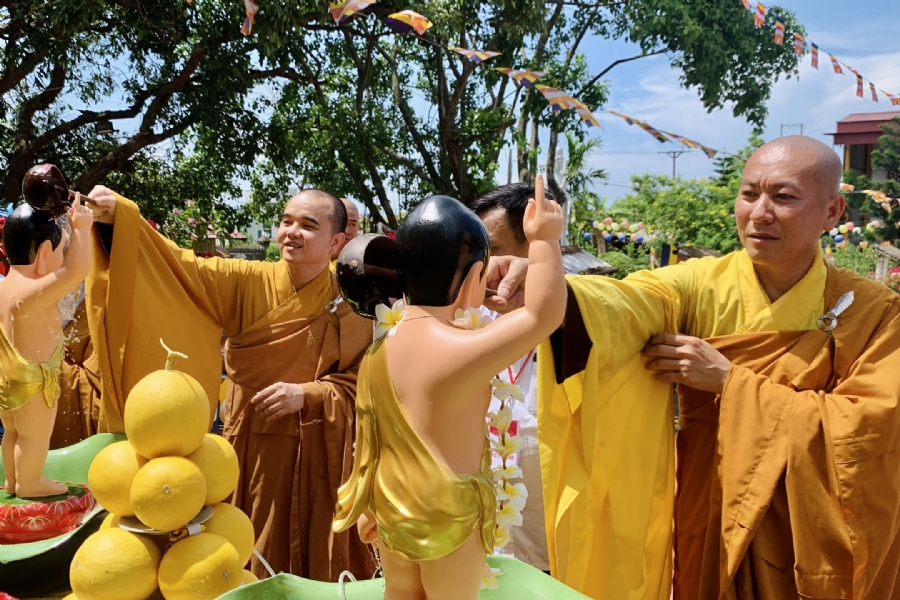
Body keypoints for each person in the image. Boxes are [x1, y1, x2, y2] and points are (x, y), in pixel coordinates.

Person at [489, 136, 900, 599]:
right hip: (713, 513)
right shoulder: (698, 284)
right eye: (749, 194)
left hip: (808, 531)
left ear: (832, 213)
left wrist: (729, 381)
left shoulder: (878, 314)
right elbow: (629, 300)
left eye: (783, 197)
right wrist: (551, 287)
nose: (759, 212)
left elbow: (873, 428)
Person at [84, 187, 376, 581]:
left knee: (318, 553)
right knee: (246, 544)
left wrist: (308, 394)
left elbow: (366, 380)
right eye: (286, 222)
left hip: (321, 447)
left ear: (337, 241)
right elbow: (178, 266)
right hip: (254, 442)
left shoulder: (350, 301)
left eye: (308, 226)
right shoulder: (245, 281)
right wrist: (119, 220)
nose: (292, 232)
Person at [333, 177, 567, 600]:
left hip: (391, 503)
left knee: (401, 592)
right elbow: (541, 315)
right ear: (477, 277)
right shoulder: (458, 348)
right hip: (449, 511)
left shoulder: (380, 349)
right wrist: (545, 241)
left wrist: (366, 500)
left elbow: (368, 437)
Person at [469, 183, 554, 572]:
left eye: (494, 250)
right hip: (480, 557)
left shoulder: (575, 326)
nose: (483, 265)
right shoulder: (465, 328)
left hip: (553, 556)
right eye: (475, 252)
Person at [0, 197, 93, 497]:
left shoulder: (6, 286)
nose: (62, 261)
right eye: (60, 252)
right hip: (33, 379)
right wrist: (80, 228)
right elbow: (78, 271)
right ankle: (29, 483)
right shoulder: (31, 290)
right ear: (42, 255)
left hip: (7, 376)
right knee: (34, 435)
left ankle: (13, 482)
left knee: (12, 432)